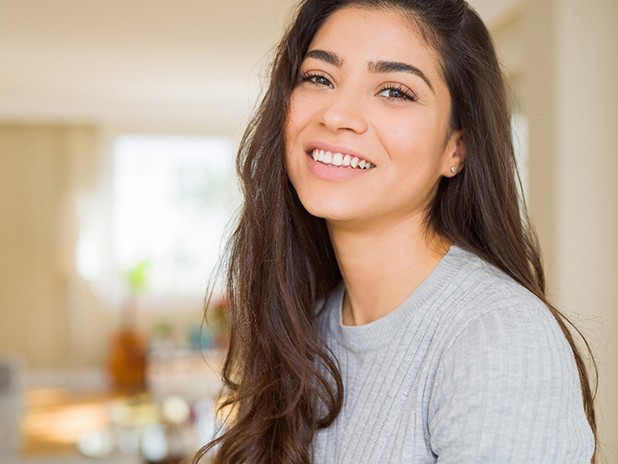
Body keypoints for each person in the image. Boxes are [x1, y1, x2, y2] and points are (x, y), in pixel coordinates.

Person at [194, 0, 597, 463]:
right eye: (319, 78)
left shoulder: (497, 338)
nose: (337, 115)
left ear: (456, 148)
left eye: (394, 91)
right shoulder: (306, 325)